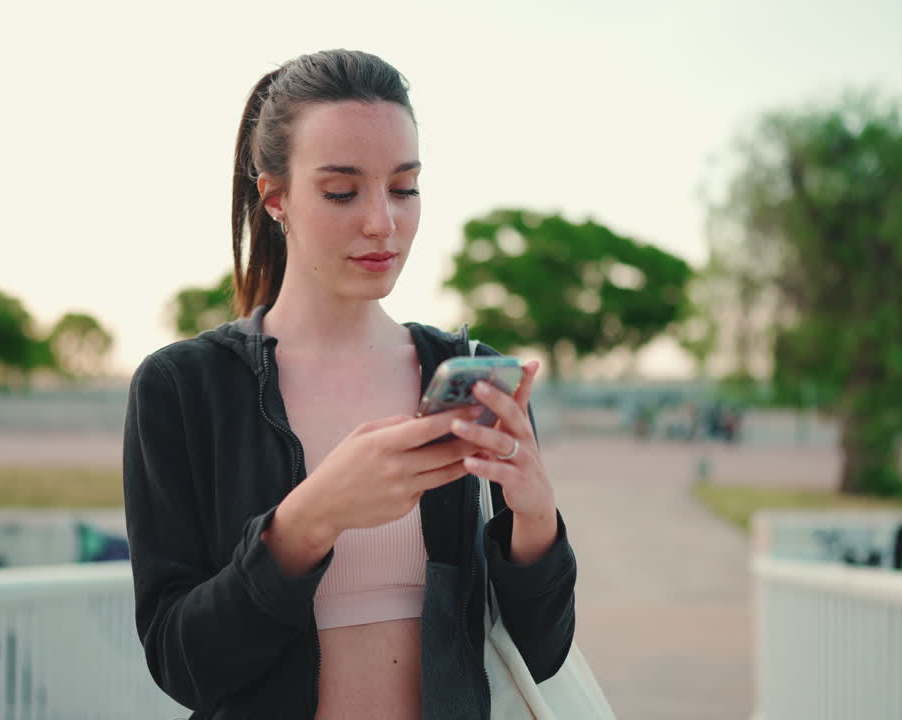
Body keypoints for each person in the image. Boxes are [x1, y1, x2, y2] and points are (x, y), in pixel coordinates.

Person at [122, 48, 577, 720]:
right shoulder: (183, 388)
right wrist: (314, 515)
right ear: (274, 196)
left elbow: (539, 655)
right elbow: (183, 664)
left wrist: (536, 520)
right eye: (342, 191)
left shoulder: (467, 376)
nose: (382, 223)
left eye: (404, 187)